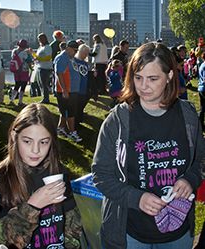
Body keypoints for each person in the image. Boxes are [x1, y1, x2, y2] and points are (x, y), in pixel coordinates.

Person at [92, 42, 205, 249]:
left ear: (170, 76)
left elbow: (201, 161)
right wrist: (136, 198)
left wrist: (190, 179)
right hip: (130, 232)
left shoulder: (187, 115)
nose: (143, 86)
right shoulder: (118, 120)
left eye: (153, 79)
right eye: (138, 77)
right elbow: (101, 174)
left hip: (178, 233)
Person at [0, 103, 82, 249]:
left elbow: (71, 225)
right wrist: (33, 206)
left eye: (43, 142)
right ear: (14, 137)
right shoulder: (0, 180)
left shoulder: (57, 171)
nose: (36, 150)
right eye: (27, 141)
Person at [54, 40, 82, 142]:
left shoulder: (71, 57)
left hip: (72, 89)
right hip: (66, 90)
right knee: (71, 113)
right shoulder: (62, 58)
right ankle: (72, 132)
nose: (75, 52)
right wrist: (64, 90)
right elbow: (59, 74)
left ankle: (60, 129)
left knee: (65, 111)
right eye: (75, 50)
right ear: (68, 48)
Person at [30, 33, 52, 104]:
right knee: (40, 84)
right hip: (40, 67)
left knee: (44, 84)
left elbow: (48, 57)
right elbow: (37, 57)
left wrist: (38, 58)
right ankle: (44, 98)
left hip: (46, 68)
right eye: (39, 39)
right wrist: (32, 53)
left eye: (40, 39)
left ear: (44, 39)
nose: (39, 40)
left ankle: (46, 99)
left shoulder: (47, 47)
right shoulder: (40, 47)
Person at [10, 39, 32, 106]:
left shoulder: (14, 51)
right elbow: (29, 60)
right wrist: (29, 54)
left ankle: (12, 100)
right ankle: (20, 102)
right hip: (24, 70)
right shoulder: (24, 52)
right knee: (23, 85)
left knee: (17, 84)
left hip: (16, 70)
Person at [74, 43, 90, 128]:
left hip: (83, 88)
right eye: (85, 53)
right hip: (76, 88)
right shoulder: (74, 61)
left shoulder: (85, 63)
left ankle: (79, 120)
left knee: (81, 106)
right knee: (76, 107)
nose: (86, 55)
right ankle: (75, 124)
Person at [197, 51, 205, 131]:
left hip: (201, 88)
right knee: (203, 108)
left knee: (203, 108)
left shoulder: (202, 64)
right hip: (204, 88)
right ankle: (201, 124)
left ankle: (200, 124)